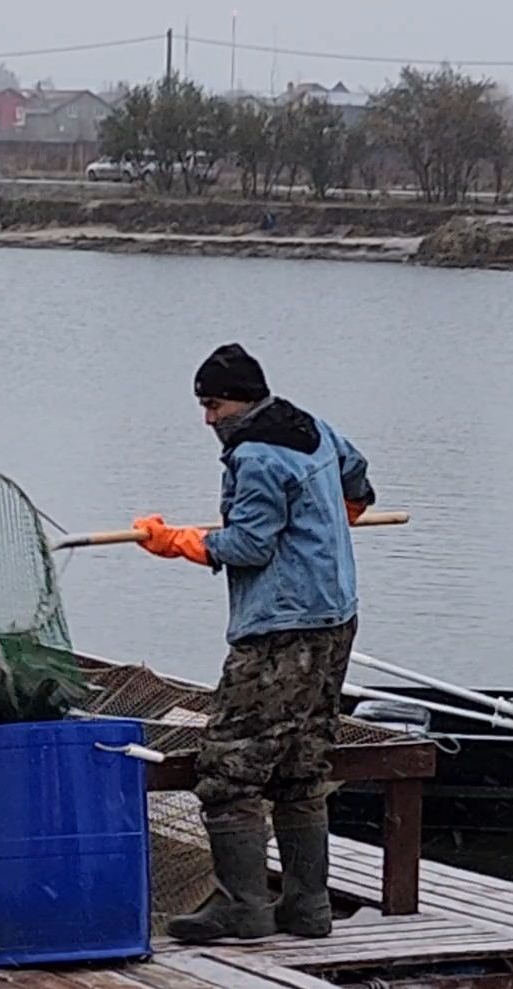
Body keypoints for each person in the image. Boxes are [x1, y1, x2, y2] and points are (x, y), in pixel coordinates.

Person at [133, 342, 374, 944]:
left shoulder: (258, 457)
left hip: (279, 631)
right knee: (300, 764)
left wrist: (175, 543)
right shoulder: (310, 427)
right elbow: (357, 476)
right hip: (335, 620)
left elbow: (248, 547)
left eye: (213, 405)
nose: (209, 419)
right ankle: (307, 907)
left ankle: (243, 907)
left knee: (228, 769)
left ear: (241, 400)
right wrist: (344, 510)